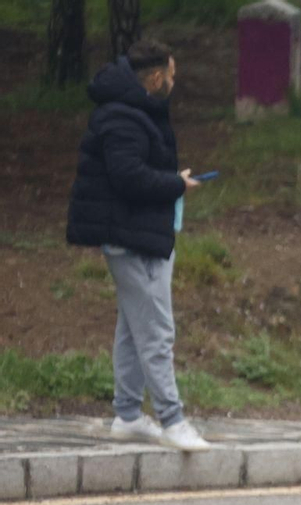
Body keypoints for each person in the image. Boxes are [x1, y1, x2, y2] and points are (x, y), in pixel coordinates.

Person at [66, 38, 210, 452]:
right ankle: (173, 420)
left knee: (133, 329)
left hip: (142, 233)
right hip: (131, 239)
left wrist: (171, 178)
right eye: (172, 74)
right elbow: (128, 177)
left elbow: (134, 168)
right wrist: (175, 183)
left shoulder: (133, 109)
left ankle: (128, 415)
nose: (174, 81)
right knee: (156, 330)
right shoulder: (124, 115)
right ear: (155, 76)